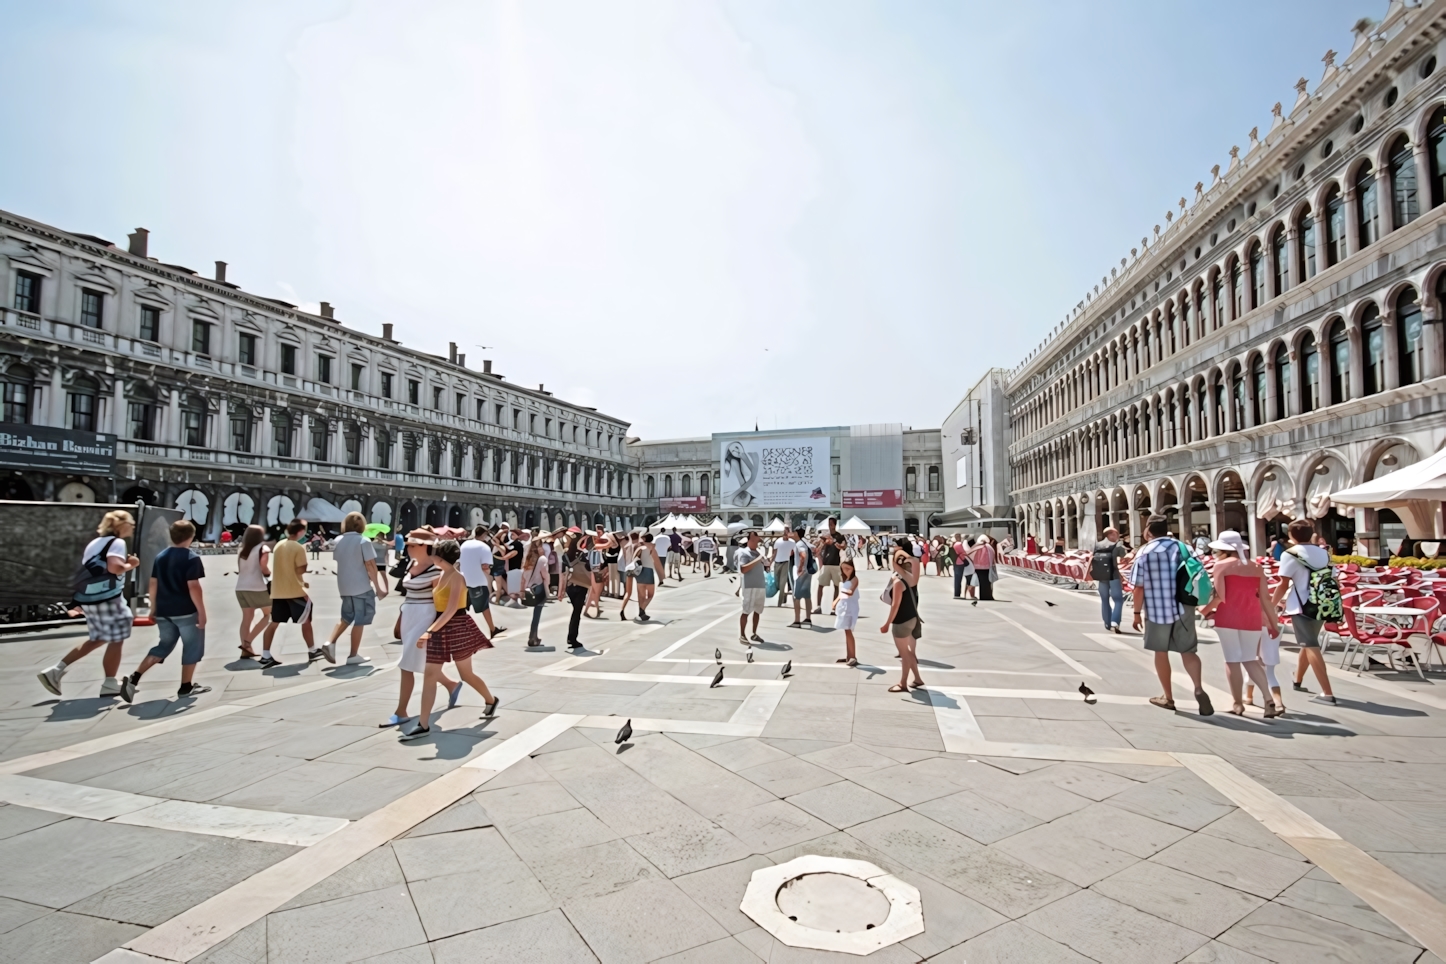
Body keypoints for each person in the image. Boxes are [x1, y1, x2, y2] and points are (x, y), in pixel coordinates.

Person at [401, 539, 498, 741]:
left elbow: (452, 609)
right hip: (440, 626)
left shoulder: (457, 578)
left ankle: (490, 699)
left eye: (433, 554)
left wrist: (429, 630)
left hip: (457, 626)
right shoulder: (441, 574)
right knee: (430, 674)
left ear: (439, 557)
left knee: (466, 674)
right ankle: (423, 724)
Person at [39, 510, 141, 697]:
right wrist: (132, 564)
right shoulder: (117, 542)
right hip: (108, 598)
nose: (133, 526)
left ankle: (56, 670)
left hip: (90, 597)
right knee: (118, 636)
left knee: (100, 637)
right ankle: (110, 683)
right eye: (130, 522)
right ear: (120, 525)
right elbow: (114, 567)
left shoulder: (95, 542)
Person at [119, 518, 211, 702]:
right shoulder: (191, 558)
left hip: (164, 611)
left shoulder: (161, 557)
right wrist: (201, 612)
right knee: (192, 647)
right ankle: (186, 686)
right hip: (185, 610)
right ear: (192, 537)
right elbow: (193, 586)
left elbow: (153, 583)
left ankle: (134, 678)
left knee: (164, 645)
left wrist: (153, 608)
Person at [1131, 514, 1213, 715]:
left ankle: (1168, 697)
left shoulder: (1145, 552)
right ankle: (1198, 688)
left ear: (1148, 530)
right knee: (1188, 651)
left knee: (1161, 652)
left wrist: (1136, 613)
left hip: (1158, 611)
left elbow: (1138, 588)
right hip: (1184, 608)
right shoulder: (1184, 548)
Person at [1200, 530, 1282, 717]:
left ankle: (1237, 703)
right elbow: (1266, 599)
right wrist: (1273, 624)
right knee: (1250, 659)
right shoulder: (1256, 567)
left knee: (1232, 660)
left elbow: (1220, 597)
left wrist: (1204, 611)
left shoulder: (1221, 566)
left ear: (1224, 550)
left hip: (1228, 617)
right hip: (1252, 618)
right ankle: (1268, 698)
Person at [383, 529, 459, 728]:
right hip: (409, 615)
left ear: (425, 547)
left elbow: (441, 602)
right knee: (420, 664)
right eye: (408, 544)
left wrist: (435, 629)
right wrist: (401, 618)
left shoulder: (437, 570)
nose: (408, 548)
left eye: (413, 545)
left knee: (407, 663)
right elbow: (407, 595)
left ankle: (401, 711)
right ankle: (451, 684)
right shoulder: (411, 564)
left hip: (425, 617)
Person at [1272, 518, 1336, 705]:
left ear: (1291, 535)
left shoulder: (1290, 554)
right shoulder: (1324, 553)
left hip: (1301, 605)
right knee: (1308, 643)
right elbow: (1334, 578)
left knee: (1310, 645)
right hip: (1322, 603)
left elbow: (1283, 583)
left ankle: (1327, 693)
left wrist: (1271, 604)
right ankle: (1297, 678)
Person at [324, 511, 388, 665]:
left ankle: (329, 642)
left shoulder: (338, 540)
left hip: (344, 586)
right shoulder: (363, 541)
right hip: (361, 586)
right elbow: (371, 565)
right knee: (360, 620)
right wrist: (379, 588)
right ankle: (353, 655)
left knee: (346, 617)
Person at [260, 518, 319, 668]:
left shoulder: (279, 545)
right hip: (294, 591)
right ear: (300, 531)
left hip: (278, 591)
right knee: (306, 621)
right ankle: (312, 650)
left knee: (274, 623)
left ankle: (265, 654)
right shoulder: (298, 547)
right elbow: (301, 568)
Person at [881, 540, 924, 692]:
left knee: (905, 654)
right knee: (909, 652)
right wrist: (908, 556)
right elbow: (913, 560)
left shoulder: (898, 581)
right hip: (912, 617)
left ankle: (903, 683)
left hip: (901, 621)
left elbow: (895, 606)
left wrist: (887, 623)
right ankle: (917, 679)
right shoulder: (912, 579)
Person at [459, 525, 504, 638]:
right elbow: (485, 567)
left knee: (462, 607)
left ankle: (462, 631)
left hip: (463, 581)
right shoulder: (484, 547)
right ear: (484, 535)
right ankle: (492, 629)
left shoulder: (464, 544)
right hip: (478, 581)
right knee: (484, 607)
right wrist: (490, 572)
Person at [234, 524, 271, 659]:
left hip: (240, 587)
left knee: (246, 618)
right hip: (256, 587)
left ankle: (246, 650)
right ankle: (247, 642)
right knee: (269, 615)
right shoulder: (263, 548)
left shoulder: (242, 550)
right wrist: (268, 574)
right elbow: (264, 567)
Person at [1091, 527, 1128, 633]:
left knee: (1104, 599)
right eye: (1116, 534)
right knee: (1118, 600)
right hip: (1114, 575)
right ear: (1110, 534)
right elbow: (1124, 558)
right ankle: (1115, 622)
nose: (1117, 536)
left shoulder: (1097, 545)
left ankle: (1107, 623)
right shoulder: (1118, 546)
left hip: (1101, 576)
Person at [736, 530, 767, 644]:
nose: (755, 541)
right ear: (748, 540)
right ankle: (742, 635)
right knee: (746, 610)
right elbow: (743, 569)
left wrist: (766, 563)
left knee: (758, 610)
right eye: (753, 539)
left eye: (757, 539)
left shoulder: (758, 552)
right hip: (749, 586)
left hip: (760, 585)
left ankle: (754, 633)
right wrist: (757, 560)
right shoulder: (744, 553)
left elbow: (764, 567)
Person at [563, 535, 592, 650]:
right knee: (576, 612)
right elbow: (589, 568)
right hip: (581, 584)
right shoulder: (583, 554)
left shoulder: (567, 554)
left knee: (575, 611)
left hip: (570, 584)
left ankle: (571, 637)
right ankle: (572, 637)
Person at [522, 539, 550, 646]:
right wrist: (547, 584)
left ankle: (533, 636)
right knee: (537, 614)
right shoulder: (542, 559)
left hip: (530, 587)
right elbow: (545, 574)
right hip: (539, 586)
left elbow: (523, 576)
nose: (543, 549)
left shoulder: (528, 559)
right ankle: (533, 637)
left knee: (536, 614)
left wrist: (522, 590)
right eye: (541, 546)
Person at [835, 558, 860, 666]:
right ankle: (848, 656)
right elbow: (841, 594)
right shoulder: (845, 579)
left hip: (850, 607)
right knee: (846, 631)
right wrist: (835, 601)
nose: (845, 571)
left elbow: (851, 591)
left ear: (853, 568)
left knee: (849, 631)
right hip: (844, 606)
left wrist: (846, 592)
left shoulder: (855, 579)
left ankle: (853, 656)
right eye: (843, 568)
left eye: (848, 568)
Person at [634, 533, 663, 621]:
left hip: (638, 570)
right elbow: (656, 561)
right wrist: (661, 576)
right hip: (648, 570)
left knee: (641, 594)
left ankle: (642, 612)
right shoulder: (651, 547)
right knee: (651, 594)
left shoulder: (638, 546)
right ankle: (642, 610)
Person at [789, 528, 814, 629]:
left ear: (797, 534)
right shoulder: (806, 542)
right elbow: (815, 550)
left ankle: (797, 620)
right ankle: (808, 618)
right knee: (807, 596)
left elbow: (803, 555)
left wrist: (800, 568)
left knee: (797, 597)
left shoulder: (799, 544)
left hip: (801, 573)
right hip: (808, 571)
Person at [815, 532, 844, 615]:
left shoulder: (839, 536)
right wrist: (823, 543)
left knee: (836, 586)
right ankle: (818, 607)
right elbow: (817, 552)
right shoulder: (824, 543)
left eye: (831, 524)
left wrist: (833, 542)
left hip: (835, 565)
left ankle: (834, 608)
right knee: (820, 585)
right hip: (826, 564)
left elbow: (843, 546)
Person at [771, 529, 796, 607]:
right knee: (776, 582)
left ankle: (780, 602)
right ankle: (783, 596)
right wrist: (770, 562)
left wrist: (790, 555)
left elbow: (794, 552)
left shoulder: (792, 542)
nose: (785, 534)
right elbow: (774, 553)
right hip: (777, 563)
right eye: (784, 532)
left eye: (787, 532)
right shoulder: (778, 541)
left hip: (786, 562)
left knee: (783, 583)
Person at [618, 531, 639, 620]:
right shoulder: (638, 546)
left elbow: (626, 558)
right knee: (639, 591)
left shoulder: (626, 546)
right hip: (637, 569)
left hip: (628, 568)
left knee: (628, 592)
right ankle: (640, 611)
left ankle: (622, 610)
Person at [967, 534, 995, 602]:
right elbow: (992, 556)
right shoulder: (988, 547)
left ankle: (982, 596)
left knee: (981, 582)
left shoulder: (976, 546)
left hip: (977, 567)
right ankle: (986, 596)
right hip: (986, 567)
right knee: (987, 582)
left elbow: (969, 553)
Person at [952, 533, 974, 599]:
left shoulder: (954, 544)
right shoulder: (958, 544)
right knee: (959, 579)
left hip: (956, 562)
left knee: (957, 579)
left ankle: (957, 594)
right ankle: (957, 594)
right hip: (960, 562)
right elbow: (962, 553)